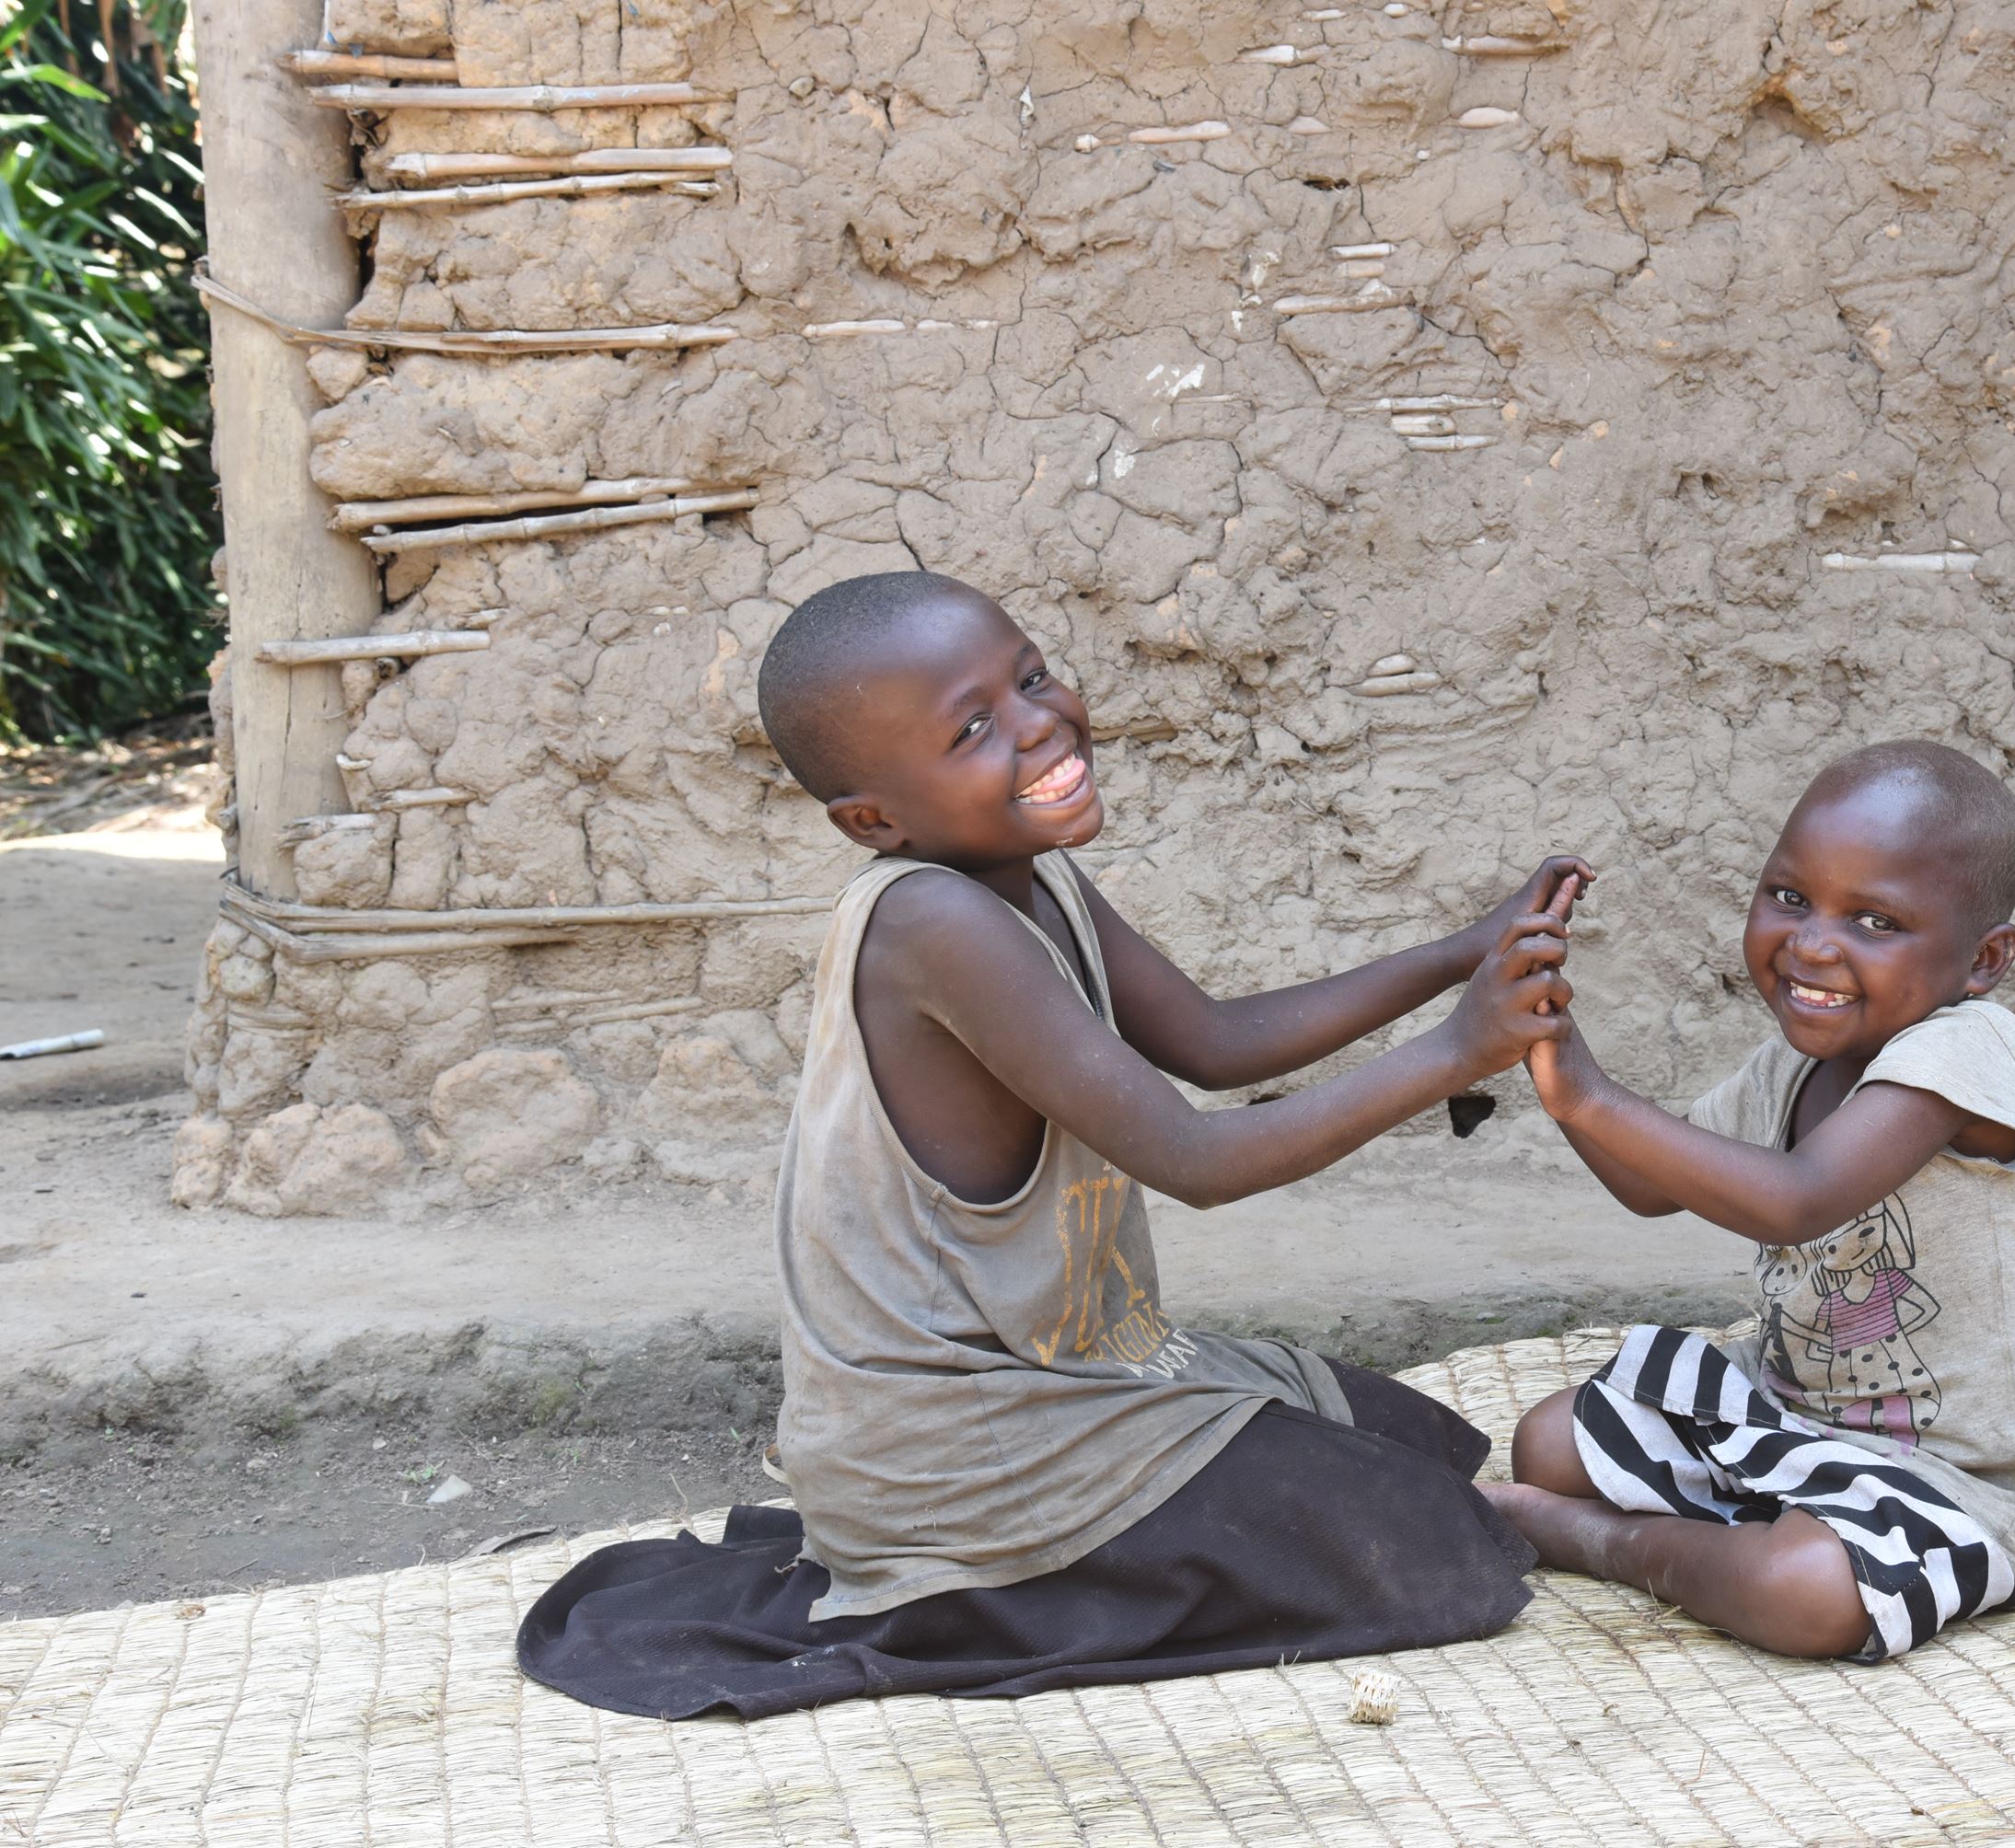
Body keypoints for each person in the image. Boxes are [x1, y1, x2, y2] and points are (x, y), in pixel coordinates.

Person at [521, 570, 1586, 1716]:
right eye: (972, 729)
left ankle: (1118, 1556)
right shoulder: (934, 923)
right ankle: (992, 1584)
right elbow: (1198, 1159)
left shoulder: (1031, 880)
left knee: (1423, 1445)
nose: (1038, 724)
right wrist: (1455, 1049)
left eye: (1028, 678)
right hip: (955, 1448)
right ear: (873, 820)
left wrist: (1461, 953)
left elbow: (1217, 1041)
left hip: (1086, 1372)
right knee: (1439, 1544)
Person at [1484, 741, 2015, 1663]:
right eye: (1790, 897)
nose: (1811, 943)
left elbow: (1795, 1201)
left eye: (1875, 920)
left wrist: (1589, 1099)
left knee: (1802, 1593)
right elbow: (1647, 1185)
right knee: (1552, 1443)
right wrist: (1548, 1040)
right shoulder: (1791, 1065)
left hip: (1956, 1480)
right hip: (1789, 1417)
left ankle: (1602, 1541)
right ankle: (1736, 1535)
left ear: (1984, 960)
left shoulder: (1968, 1051)